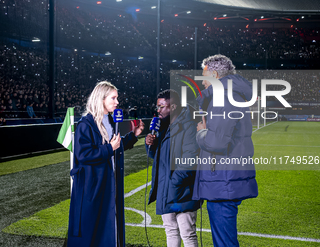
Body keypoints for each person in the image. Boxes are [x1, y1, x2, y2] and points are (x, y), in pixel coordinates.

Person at [67, 81, 144, 247]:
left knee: (108, 228)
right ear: (101, 98)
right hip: (92, 188)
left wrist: (132, 136)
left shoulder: (109, 121)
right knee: (92, 232)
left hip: (108, 184)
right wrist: (109, 148)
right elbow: (84, 155)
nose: (117, 102)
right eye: (113, 98)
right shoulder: (85, 124)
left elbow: (115, 146)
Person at [192, 55, 258, 247]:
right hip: (226, 178)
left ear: (214, 74)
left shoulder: (223, 97)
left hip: (222, 180)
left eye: (204, 76)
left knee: (224, 242)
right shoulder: (231, 95)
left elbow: (215, 143)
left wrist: (201, 132)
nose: (203, 81)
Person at [145, 89, 200, 247]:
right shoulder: (162, 127)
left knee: (187, 233)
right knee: (170, 230)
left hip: (182, 191)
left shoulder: (189, 125)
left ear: (173, 107)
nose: (158, 110)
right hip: (166, 189)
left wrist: (174, 182)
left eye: (162, 106)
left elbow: (190, 159)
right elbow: (157, 157)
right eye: (158, 107)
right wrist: (150, 145)